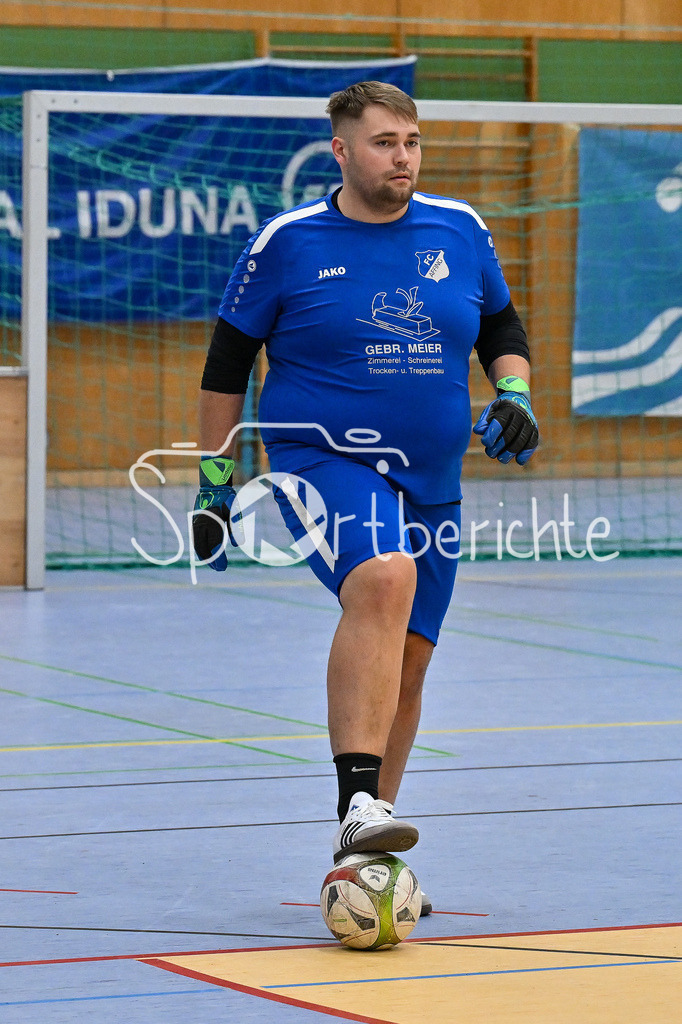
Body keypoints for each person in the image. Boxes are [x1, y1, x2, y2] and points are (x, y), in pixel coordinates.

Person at [192, 81, 538, 913]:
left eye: (412, 140)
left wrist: (516, 395)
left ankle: (364, 848)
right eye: (385, 142)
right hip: (323, 461)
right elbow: (226, 363)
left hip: (434, 479)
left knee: (409, 666)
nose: (404, 157)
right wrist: (214, 480)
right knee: (384, 577)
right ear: (341, 151)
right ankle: (358, 809)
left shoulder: (460, 228)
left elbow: (500, 329)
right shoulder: (288, 242)